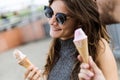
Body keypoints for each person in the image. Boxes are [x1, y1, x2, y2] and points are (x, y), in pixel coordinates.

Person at [24, 0, 118, 80]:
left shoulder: (98, 46)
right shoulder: (56, 46)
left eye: (60, 18)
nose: (51, 21)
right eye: (49, 12)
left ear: (79, 21)